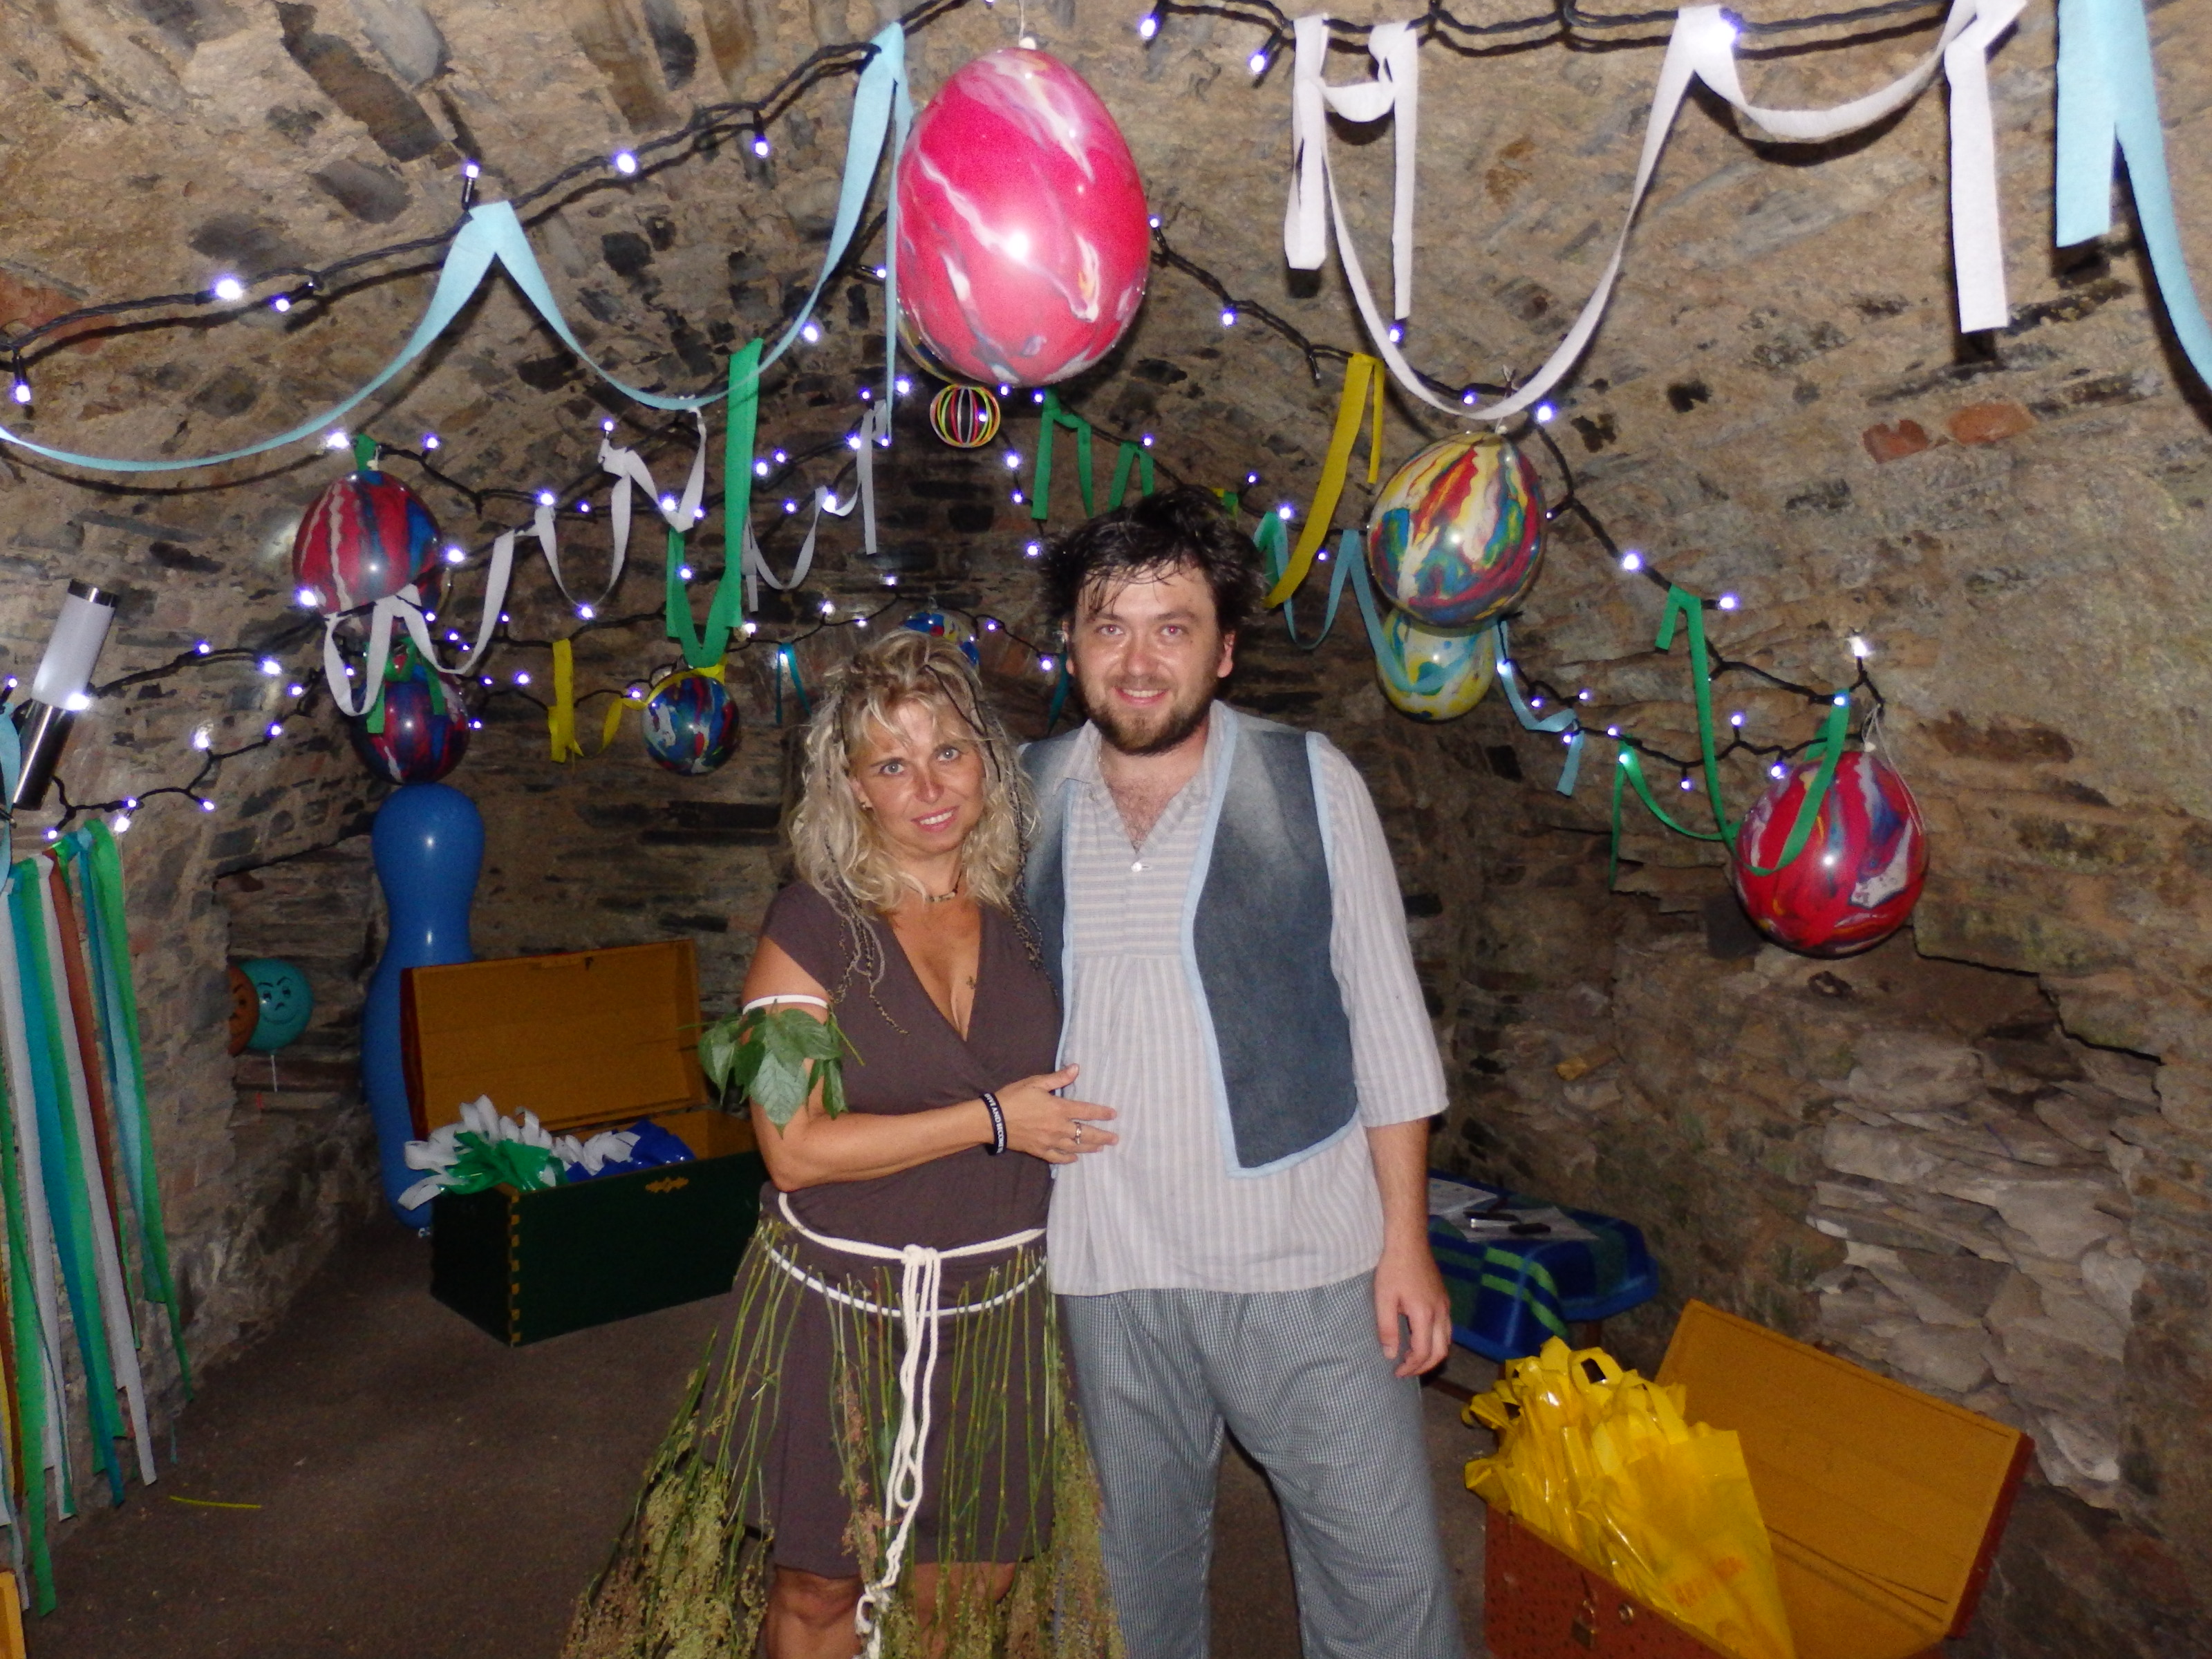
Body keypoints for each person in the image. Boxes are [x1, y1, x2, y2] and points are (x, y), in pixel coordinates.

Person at [566, 630, 1118, 1659]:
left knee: (973, 1582)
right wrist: (994, 1120)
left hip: (999, 1308)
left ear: (989, 761)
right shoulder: (809, 926)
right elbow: (795, 1149)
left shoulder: (1029, 915)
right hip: (839, 1310)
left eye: (948, 752)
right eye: (891, 765)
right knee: (822, 1584)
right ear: (853, 787)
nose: (929, 788)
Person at [1024, 488, 1463, 1659]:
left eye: (1172, 628)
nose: (1137, 661)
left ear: (1223, 651)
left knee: (1384, 1574)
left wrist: (1406, 1243)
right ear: (1071, 644)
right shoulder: (1024, 795)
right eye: (1109, 626)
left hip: (1299, 1249)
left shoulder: (1307, 781)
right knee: (1126, 1583)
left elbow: (1387, 1022)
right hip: (1105, 1258)